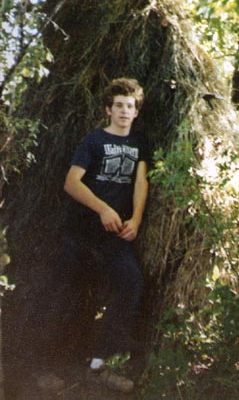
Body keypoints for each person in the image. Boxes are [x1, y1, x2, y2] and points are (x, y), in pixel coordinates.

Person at [37, 77, 149, 394]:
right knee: (64, 293)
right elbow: (71, 182)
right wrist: (102, 209)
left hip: (114, 238)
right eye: (119, 106)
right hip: (81, 233)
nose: (125, 111)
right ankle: (44, 366)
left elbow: (141, 183)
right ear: (108, 109)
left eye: (130, 106)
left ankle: (100, 365)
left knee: (131, 282)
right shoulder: (93, 141)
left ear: (136, 111)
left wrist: (136, 220)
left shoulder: (139, 145)